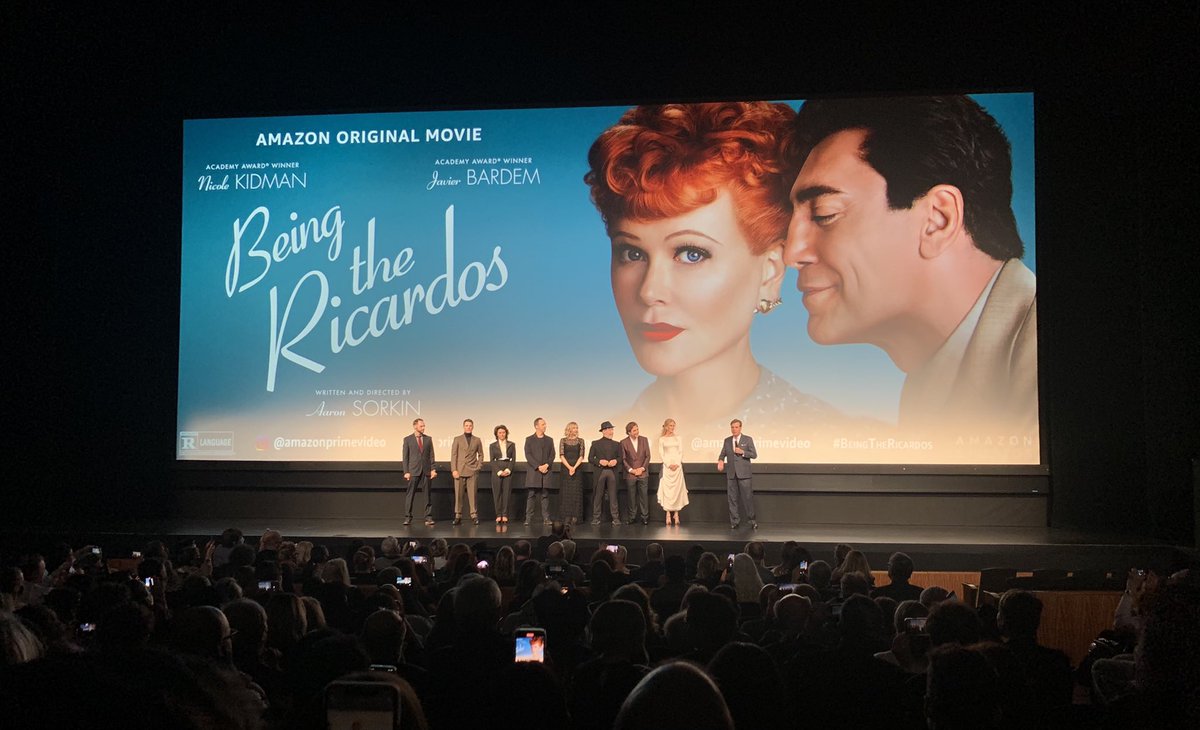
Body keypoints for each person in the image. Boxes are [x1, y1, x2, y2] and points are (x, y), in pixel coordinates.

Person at [585, 102, 844, 446]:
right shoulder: (602, 441)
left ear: (770, 272)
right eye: (632, 253)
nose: (649, 291)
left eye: (691, 254)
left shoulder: (827, 437)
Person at [783, 95, 1037, 442]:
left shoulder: (1045, 364)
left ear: (938, 220)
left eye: (825, 213)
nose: (792, 253)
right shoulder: (933, 383)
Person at [716, 419, 757, 529]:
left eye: (736, 427)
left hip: (744, 474)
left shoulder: (747, 439)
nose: (734, 429)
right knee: (732, 499)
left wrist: (743, 452)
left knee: (747, 498)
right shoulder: (727, 440)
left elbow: (754, 455)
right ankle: (735, 521)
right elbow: (722, 454)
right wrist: (720, 461)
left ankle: (752, 520)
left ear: (740, 428)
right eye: (732, 427)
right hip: (731, 474)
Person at [402, 418, 437, 527]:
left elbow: (431, 455)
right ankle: (408, 517)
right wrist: (406, 471)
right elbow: (405, 457)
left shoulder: (428, 439)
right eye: (421, 426)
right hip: (413, 471)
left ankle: (428, 517)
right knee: (410, 494)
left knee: (427, 494)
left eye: (424, 426)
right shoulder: (408, 439)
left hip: (426, 470)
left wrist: (433, 469)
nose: (423, 428)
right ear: (415, 426)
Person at [450, 418, 484, 526]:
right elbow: (453, 455)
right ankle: (458, 516)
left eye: (470, 425)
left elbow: (481, 454)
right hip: (459, 471)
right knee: (459, 495)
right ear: (463, 427)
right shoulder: (457, 439)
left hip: (472, 470)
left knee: (472, 495)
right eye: (466, 425)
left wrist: (478, 466)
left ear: (472, 427)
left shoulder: (477, 440)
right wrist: (454, 469)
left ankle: (474, 515)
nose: (468, 427)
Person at [657, 418, 689, 526]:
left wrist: (677, 463)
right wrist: (668, 464)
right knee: (668, 490)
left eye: (673, 426)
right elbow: (661, 453)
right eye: (670, 425)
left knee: (676, 490)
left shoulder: (678, 438)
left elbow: (681, 451)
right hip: (667, 467)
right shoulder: (662, 439)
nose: (672, 428)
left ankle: (676, 514)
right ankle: (667, 514)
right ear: (666, 426)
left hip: (677, 467)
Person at [590, 421, 623, 525]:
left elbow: (621, 457)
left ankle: (616, 518)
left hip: (612, 472)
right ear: (604, 431)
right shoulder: (595, 443)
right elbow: (590, 458)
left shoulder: (617, 444)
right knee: (598, 495)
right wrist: (599, 461)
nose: (612, 431)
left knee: (613, 496)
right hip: (600, 471)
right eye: (609, 429)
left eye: (612, 429)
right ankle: (596, 518)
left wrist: (616, 461)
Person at [524, 417, 555, 526]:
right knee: (531, 495)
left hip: (546, 471)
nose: (545, 426)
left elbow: (552, 455)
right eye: (543, 424)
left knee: (545, 495)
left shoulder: (549, 440)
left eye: (545, 424)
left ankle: (546, 518)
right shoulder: (529, 439)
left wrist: (546, 465)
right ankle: (528, 518)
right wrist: (538, 466)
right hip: (534, 472)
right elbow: (528, 455)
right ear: (536, 426)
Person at [621, 421, 651, 525]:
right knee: (631, 497)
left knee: (644, 496)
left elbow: (648, 456)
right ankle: (632, 517)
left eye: (637, 429)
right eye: (634, 430)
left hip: (643, 473)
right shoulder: (623, 442)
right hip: (630, 474)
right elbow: (623, 459)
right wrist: (631, 470)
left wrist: (642, 468)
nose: (636, 432)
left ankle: (644, 517)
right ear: (629, 432)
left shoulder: (644, 440)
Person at [559, 421, 586, 525]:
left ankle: (575, 516)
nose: (576, 429)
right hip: (566, 469)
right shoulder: (563, 440)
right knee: (566, 493)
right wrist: (569, 467)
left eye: (577, 428)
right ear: (569, 429)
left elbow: (581, 456)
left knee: (576, 494)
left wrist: (574, 467)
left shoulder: (581, 441)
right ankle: (566, 516)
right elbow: (561, 455)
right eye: (574, 428)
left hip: (577, 469)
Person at [489, 424, 516, 524]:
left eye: (503, 432)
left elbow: (513, 459)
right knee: (497, 494)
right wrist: (499, 472)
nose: (502, 434)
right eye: (500, 433)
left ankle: (504, 515)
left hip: (508, 467)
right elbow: (491, 461)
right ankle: (498, 515)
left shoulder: (511, 444)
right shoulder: (492, 445)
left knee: (506, 493)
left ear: (506, 433)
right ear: (496, 434)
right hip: (497, 469)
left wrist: (508, 470)